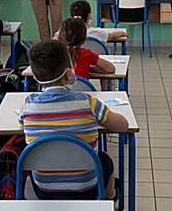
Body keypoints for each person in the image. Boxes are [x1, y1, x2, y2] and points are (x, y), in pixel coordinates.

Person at [19, 40, 128, 200]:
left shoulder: (28, 105)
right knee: (104, 159)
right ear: (70, 74)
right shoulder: (88, 102)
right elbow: (123, 126)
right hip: (87, 187)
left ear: (35, 77)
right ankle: (109, 198)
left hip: (44, 188)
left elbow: (22, 123)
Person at [56, 17, 115, 85]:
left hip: (57, 95)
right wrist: (90, 68)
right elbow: (111, 69)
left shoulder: (54, 54)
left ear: (59, 36)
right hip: (82, 94)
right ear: (84, 40)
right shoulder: (86, 54)